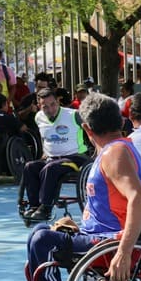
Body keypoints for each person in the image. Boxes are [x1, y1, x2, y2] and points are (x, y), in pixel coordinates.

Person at [14, 93, 141, 281]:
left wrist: (124, 252)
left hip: (110, 245)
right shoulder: (119, 148)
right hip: (102, 237)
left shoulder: (114, 154)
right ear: (120, 121)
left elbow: (140, 198)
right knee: (40, 232)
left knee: (42, 240)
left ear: (87, 129)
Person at [20, 88, 89, 221]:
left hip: (74, 158)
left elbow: (92, 131)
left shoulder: (74, 115)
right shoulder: (38, 117)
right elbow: (45, 137)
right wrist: (44, 152)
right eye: (45, 106)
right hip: (51, 159)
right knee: (30, 166)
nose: (50, 109)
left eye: (53, 104)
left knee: (50, 168)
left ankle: (46, 208)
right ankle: (35, 206)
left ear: (57, 101)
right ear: (39, 106)